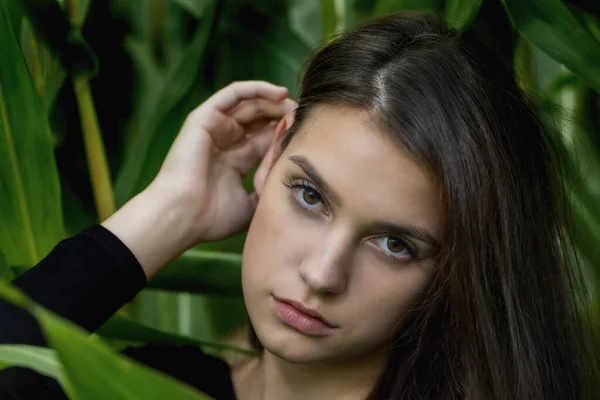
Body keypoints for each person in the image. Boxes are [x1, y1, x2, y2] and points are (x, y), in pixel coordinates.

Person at [0, 11, 597, 400]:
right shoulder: (153, 387)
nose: (321, 274)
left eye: (395, 244)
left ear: (455, 270)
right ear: (271, 155)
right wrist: (168, 211)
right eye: (310, 196)